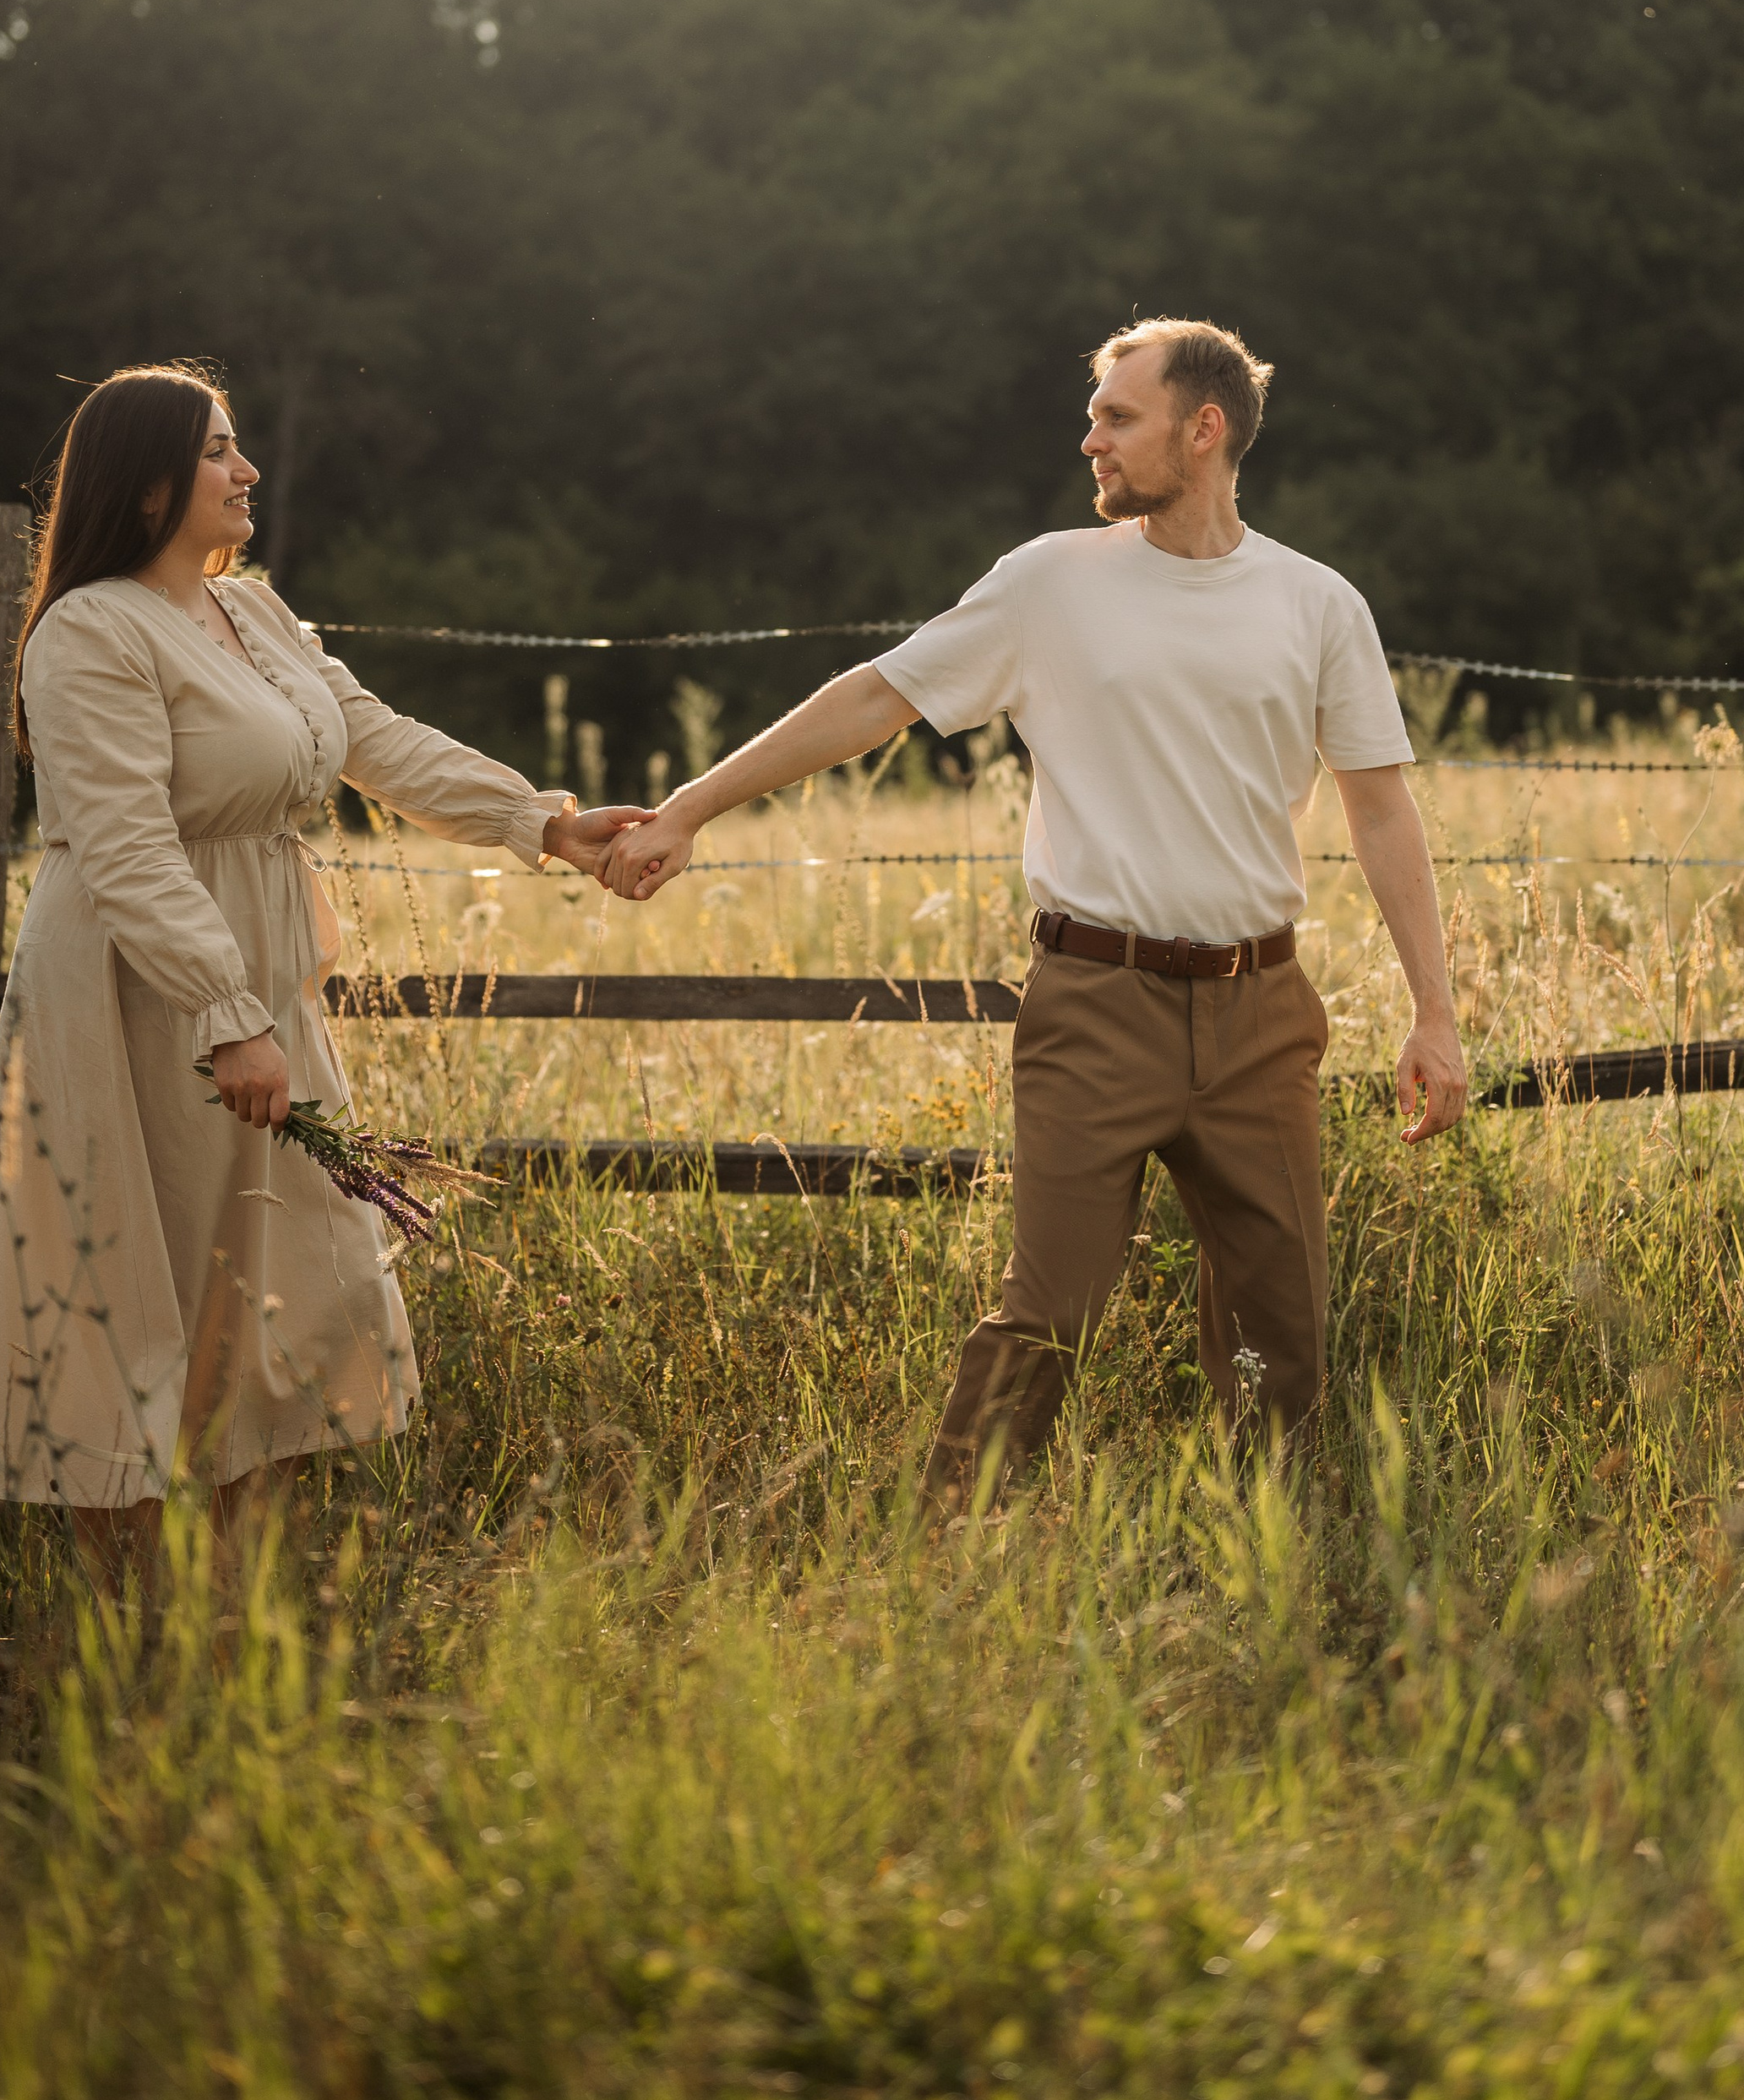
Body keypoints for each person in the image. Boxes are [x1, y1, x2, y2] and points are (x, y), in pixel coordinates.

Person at [605, 316, 1468, 1506]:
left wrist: (1437, 1011)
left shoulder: (1317, 604)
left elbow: (1382, 814)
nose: (1091, 439)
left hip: (1262, 1011)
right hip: (1096, 1002)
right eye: (1096, 415)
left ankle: (1280, 1546)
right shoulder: (1049, 582)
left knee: (1282, 1326)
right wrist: (691, 808)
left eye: (1119, 417)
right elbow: (874, 700)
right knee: (1049, 1311)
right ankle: (955, 1547)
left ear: (1202, 429)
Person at [0, 364, 643, 1585]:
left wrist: (541, 823)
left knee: (281, 1282)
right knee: (137, 1286)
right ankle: (132, 1628)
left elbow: (373, 737)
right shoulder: (89, 632)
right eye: (221, 450)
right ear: (150, 478)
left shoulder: (255, 614)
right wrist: (226, 1017)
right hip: (137, 988)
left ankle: (240, 1611)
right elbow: (121, 842)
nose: (248, 471)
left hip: (257, 977)